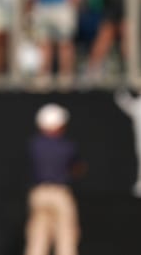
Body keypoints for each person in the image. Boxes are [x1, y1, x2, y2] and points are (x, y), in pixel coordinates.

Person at [24, 103, 84, 255]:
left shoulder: (35, 144)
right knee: (65, 238)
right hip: (60, 193)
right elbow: (76, 168)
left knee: (37, 239)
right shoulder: (67, 146)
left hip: (39, 193)